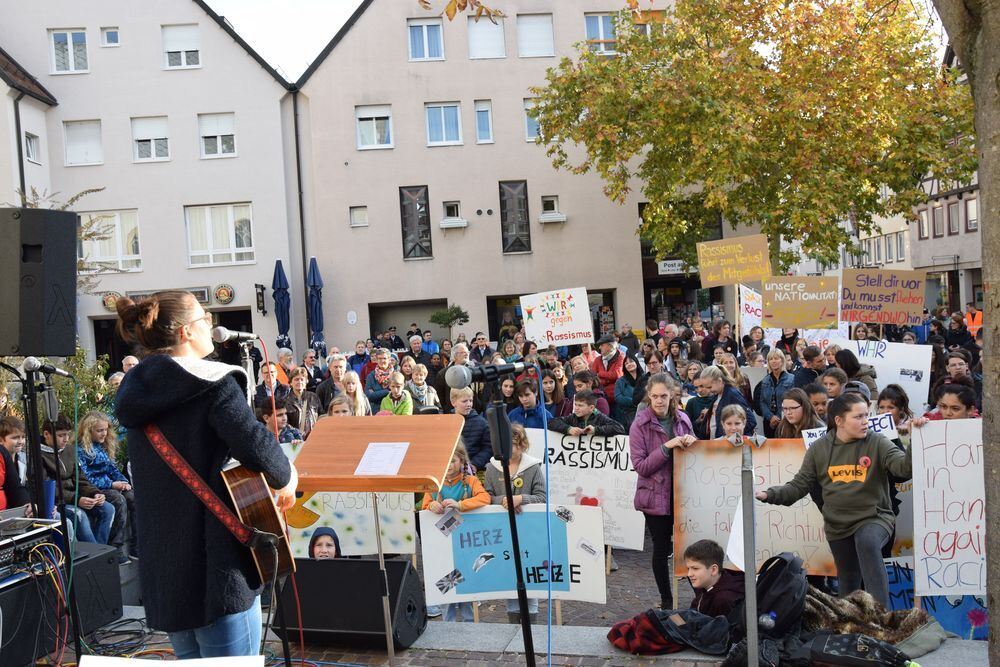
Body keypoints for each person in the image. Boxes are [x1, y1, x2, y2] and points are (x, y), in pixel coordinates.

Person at [114, 291, 295, 658]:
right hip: (215, 569)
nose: (210, 324)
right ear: (185, 331)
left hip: (167, 572)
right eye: (204, 318)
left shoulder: (135, 391)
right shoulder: (211, 383)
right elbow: (255, 444)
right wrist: (288, 477)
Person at [755, 393, 910, 606]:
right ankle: (849, 620)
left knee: (867, 542)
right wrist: (769, 494)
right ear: (839, 420)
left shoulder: (877, 442)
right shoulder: (819, 449)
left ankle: (880, 613)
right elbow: (799, 486)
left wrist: (915, 440)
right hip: (838, 524)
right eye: (858, 417)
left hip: (875, 517)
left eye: (866, 415)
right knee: (848, 581)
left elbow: (903, 469)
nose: (865, 421)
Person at [629, 373, 695, 609]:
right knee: (660, 547)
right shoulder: (639, 425)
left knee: (689, 547)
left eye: (663, 396)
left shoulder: (683, 419)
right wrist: (667, 447)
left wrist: (692, 443)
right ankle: (666, 599)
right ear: (649, 395)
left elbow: (695, 455)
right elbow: (641, 466)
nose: (659, 401)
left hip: (682, 493)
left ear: (672, 395)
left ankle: (701, 596)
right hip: (654, 495)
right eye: (655, 396)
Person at [482, 423, 546, 623]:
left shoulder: (533, 467)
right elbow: (486, 497)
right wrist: (504, 501)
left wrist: (520, 499)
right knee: (509, 572)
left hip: (529, 531)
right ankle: (513, 619)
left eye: (513, 446)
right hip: (503, 531)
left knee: (530, 571)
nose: (509, 451)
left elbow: (542, 497)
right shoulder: (492, 468)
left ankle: (531, 619)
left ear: (522, 445)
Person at [422, 442, 490, 621]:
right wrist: (432, 505)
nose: (449, 466)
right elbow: (424, 505)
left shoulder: (471, 481)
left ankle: (469, 622)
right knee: (447, 583)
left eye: (453, 461)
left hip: (466, 543)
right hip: (444, 545)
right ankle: (448, 623)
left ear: (462, 462)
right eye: (446, 462)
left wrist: (460, 505)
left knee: (465, 580)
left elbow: (485, 498)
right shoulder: (435, 484)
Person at [40, 415, 116, 545]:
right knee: (79, 515)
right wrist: (76, 499)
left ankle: (100, 550)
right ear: (46, 434)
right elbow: (48, 488)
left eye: (68, 434)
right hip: (58, 502)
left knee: (108, 509)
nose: (66, 439)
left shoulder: (70, 450)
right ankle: (96, 553)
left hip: (75, 497)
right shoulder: (39, 456)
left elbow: (80, 478)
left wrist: (94, 493)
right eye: (61, 435)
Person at [77, 410, 136, 561]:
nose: (104, 433)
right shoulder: (80, 450)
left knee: (132, 497)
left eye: (105, 429)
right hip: (94, 489)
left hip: (110, 485)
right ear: (89, 431)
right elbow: (85, 478)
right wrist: (112, 484)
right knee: (118, 500)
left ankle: (136, 545)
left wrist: (124, 482)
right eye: (99, 430)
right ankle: (115, 547)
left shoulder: (102, 446)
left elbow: (112, 469)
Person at [684, 539, 745, 617]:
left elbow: (720, 624)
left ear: (713, 570)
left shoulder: (723, 600)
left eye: (695, 568)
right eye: (688, 569)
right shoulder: (704, 583)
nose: (689, 574)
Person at [701, 365, 756, 438]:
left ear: (719, 381)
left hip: (730, 442)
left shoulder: (732, 394)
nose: (708, 391)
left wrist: (733, 435)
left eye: (709, 387)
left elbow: (750, 421)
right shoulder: (717, 395)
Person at [548, 390, 626, 437]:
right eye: (575, 405)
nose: (576, 408)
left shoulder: (600, 417)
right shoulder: (573, 417)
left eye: (580, 405)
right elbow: (551, 422)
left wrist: (595, 430)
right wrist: (569, 429)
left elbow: (619, 428)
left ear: (591, 407)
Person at [451, 387, 492, 471]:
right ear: (453, 402)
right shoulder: (447, 421)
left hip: (471, 467)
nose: (469, 404)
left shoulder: (482, 423)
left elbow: (488, 448)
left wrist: (475, 464)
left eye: (471, 401)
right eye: (464, 401)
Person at [758, 350, 794, 438]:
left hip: (786, 421)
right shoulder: (765, 380)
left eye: (776, 358)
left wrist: (778, 417)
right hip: (769, 422)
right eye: (771, 359)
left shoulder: (791, 379)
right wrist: (770, 417)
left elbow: (793, 400)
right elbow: (762, 402)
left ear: (782, 360)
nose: (773, 361)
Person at [0, 416, 30, 513]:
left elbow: (22, 487)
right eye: (15, 438)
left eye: (23, 437)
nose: (20, 441)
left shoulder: (24, 459)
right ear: (1, 440)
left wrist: (31, 503)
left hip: (19, 508)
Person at [591, 334, 624, 409]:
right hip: (601, 398)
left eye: (602, 345)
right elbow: (593, 378)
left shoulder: (621, 357)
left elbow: (617, 375)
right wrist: (609, 379)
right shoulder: (597, 359)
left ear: (610, 346)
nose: (599, 347)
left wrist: (599, 374)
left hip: (616, 399)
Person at [286, 368, 322, 437]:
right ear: (290, 382)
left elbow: (321, 415)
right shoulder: (286, 401)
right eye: (296, 379)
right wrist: (295, 435)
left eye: (302, 379)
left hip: (315, 436)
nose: (299, 382)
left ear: (306, 382)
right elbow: (285, 424)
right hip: (296, 439)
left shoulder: (313, 397)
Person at [614, 355, 643, 428]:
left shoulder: (645, 378)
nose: (629, 364)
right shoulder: (620, 381)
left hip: (643, 410)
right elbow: (618, 397)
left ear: (636, 362)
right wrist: (633, 401)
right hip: (627, 413)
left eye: (631, 361)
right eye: (626, 363)